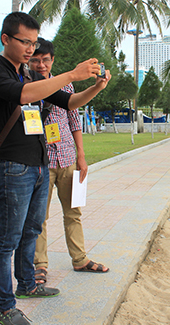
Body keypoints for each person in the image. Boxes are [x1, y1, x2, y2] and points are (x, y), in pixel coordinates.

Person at [0, 12, 103, 325]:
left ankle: (28, 284)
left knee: (32, 230)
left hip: (39, 165)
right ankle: (5, 307)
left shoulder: (31, 76)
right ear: (6, 39)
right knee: (6, 240)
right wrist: (71, 72)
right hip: (12, 167)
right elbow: (23, 96)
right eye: (25, 42)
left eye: (34, 43)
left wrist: (96, 86)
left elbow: (70, 102)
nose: (30, 50)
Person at [27, 38, 111, 283]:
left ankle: (80, 259)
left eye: (45, 60)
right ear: (29, 59)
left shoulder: (65, 85)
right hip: (39, 162)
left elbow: (74, 120)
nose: (40, 65)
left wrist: (81, 156)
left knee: (73, 212)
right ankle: (39, 265)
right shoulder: (24, 86)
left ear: (52, 60)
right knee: (38, 217)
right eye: (35, 60)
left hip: (66, 158)